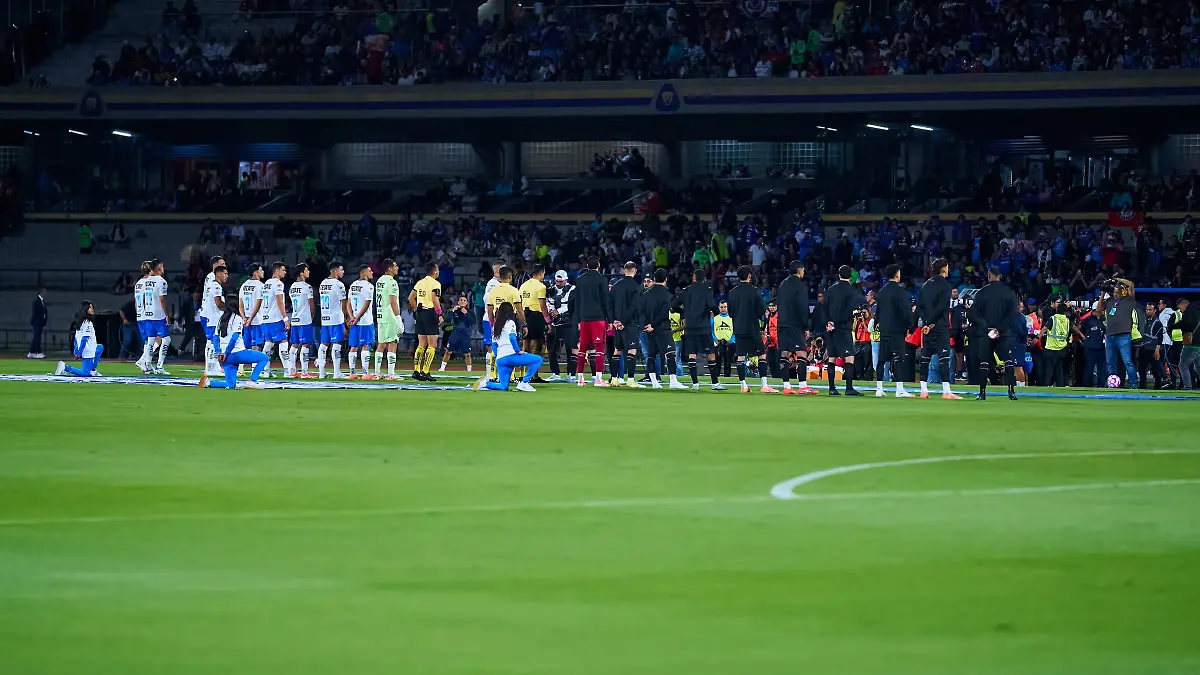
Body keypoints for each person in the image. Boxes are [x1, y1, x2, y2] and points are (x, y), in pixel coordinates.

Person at [966, 266, 1019, 401]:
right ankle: (1011, 392)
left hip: (986, 333)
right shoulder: (1009, 292)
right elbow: (1013, 313)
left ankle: (982, 393)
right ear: (1000, 276)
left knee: (984, 362)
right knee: (1008, 361)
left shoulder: (982, 293)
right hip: (1004, 333)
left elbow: (973, 314)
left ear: (989, 275)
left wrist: (987, 327)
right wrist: (1000, 329)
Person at [198, 296, 270, 390]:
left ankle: (208, 382)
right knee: (264, 358)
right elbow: (234, 338)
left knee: (230, 384)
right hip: (237, 353)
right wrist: (227, 352)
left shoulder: (221, 319)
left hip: (225, 357)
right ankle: (252, 381)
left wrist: (219, 352)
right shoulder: (237, 319)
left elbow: (215, 338)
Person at [472, 302, 542, 392]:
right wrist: (517, 351)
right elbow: (512, 338)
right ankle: (524, 382)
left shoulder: (496, 326)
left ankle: (486, 383)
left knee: (503, 386)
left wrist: (498, 356)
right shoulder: (510, 323)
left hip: (501, 359)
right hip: (511, 356)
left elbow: (494, 344)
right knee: (537, 359)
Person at [916, 258, 959, 399]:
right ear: (944, 269)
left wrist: (927, 323)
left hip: (927, 328)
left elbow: (919, 307)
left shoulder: (925, 285)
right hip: (940, 327)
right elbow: (942, 307)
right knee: (944, 358)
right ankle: (946, 391)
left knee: (925, 358)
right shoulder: (945, 286)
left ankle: (923, 390)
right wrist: (932, 322)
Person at [821, 265, 866, 396]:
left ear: (839, 274)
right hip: (843, 328)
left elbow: (824, 308)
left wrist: (828, 322)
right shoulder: (852, 291)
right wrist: (836, 323)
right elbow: (848, 310)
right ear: (850, 276)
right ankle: (849, 388)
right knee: (849, 357)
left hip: (830, 329)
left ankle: (831, 388)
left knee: (832, 357)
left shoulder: (830, 289)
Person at [728, 265, 772, 393]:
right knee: (762, 354)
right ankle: (764, 385)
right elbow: (762, 311)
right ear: (749, 276)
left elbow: (730, 313)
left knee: (741, 356)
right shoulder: (755, 291)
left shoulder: (732, 293)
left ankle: (743, 386)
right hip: (752, 328)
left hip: (739, 328)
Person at [775, 261, 816, 394]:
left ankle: (787, 386)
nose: (803, 272)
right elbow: (802, 307)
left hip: (782, 323)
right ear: (799, 270)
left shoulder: (782, 284)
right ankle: (803, 385)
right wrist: (806, 326)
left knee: (785, 353)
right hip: (795, 324)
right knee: (802, 353)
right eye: (803, 270)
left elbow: (778, 303)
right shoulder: (800, 285)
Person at [874, 264, 915, 397]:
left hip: (884, 330)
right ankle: (899, 389)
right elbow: (906, 310)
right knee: (898, 359)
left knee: (881, 360)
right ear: (897, 274)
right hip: (897, 330)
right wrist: (911, 325)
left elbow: (878, 313)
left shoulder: (881, 291)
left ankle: (879, 389)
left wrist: (878, 325)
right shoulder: (900, 290)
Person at [640, 269, 684, 389]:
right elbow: (665, 313)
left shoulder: (645, 295)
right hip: (662, 328)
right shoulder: (668, 295)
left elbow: (641, 312)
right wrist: (653, 325)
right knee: (670, 354)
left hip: (649, 329)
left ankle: (654, 382)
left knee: (651, 355)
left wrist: (647, 325)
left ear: (654, 280)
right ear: (665, 280)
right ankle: (673, 381)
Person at [679, 266, 722, 390]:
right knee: (710, 353)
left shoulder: (686, 290)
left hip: (690, 327)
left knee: (692, 354)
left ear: (693, 277)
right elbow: (712, 305)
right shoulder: (707, 289)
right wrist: (715, 312)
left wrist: (685, 313)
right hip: (703, 327)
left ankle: (695, 384)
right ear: (704, 278)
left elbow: (674, 305)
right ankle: (714, 383)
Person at [573, 256, 609, 386]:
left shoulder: (579, 280)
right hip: (598, 318)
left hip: (583, 318)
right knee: (599, 349)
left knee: (582, 348)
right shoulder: (602, 279)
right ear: (598, 265)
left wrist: (577, 320)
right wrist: (609, 319)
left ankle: (580, 378)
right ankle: (598, 379)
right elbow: (606, 301)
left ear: (587, 266)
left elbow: (577, 302)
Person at [1099, 279, 1141, 388]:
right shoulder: (1109, 301)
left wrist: (1117, 279)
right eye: (1114, 292)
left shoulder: (1129, 300)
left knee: (1127, 361)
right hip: (1110, 336)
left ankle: (1134, 384)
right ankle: (1112, 384)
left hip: (1124, 335)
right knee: (1110, 362)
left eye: (1117, 292)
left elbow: (1131, 284)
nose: (1115, 294)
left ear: (1123, 292)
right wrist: (1102, 293)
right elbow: (1098, 311)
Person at [609, 261, 643, 386]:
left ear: (624, 270)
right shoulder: (636, 286)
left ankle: (614, 379)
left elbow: (610, 305)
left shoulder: (616, 286)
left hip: (617, 324)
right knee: (632, 350)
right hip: (630, 323)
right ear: (634, 270)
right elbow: (634, 307)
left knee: (617, 350)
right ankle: (630, 380)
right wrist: (623, 321)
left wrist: (614, 321)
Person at [409, 262, 444, 381]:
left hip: (420, 313)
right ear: (434, 271)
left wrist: (415, 309)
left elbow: (410, 297)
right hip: (430, 313)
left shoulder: (420, 282)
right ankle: (425, 371)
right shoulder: (436, 284)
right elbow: (435, 299)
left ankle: (416, 370)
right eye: (438, 269)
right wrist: (439, 313)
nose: (438, 272)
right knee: (432, 344)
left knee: (421, 344)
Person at [135, 259, 171, 375]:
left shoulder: (142, 282)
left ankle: (148, 365)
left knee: (150, 340)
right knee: (166, 339)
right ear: (159, 268)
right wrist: (166, 314)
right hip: (158, 314)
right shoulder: (161, 281)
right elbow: (162, 300)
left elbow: (139, 300)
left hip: (145, 315)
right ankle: (159, 366)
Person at [519, 265, 550, 384]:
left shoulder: (523, 285)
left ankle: (522, 375)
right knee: (538, 347)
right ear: (541, 273)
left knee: (525, 347)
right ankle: (534, 375)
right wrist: (548, 321)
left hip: (524, 315)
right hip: (536, 316)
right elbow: (542, 305)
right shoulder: (541, 286)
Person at [317, 261, 349, 379]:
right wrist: (345, 319)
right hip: (336, 318)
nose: (343, 272)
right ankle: (337, 372)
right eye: (341, 269)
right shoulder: (339, 284)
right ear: (335, 271)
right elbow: (344, 303)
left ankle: (321, 372)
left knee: (323, 345)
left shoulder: (322, 283)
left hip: (325, 319)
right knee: (337, 344)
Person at [258, 262, 290, 378]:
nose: (285, 272)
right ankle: (288, 371)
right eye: (283, 270)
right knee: (283, 343)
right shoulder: (278, 284)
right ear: (277, 271)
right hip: (275, 319)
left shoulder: (266, 283)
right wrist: (285, 319)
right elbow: (280, 301)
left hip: (265, 319)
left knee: (268, 344)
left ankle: (266, 371)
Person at [55, 301, 103, 377]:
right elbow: (84, 339)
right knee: (85, 373)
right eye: (90, 307)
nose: (92, 309)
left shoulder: (80, 322)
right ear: (86, 309)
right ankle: (65, 367)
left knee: (100, 347)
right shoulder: (87, 323)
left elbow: (76, 338)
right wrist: (79, 353)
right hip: (87, 350)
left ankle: (93, 370)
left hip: (87, 348)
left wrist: (76, 349)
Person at [373, 259, 402, 379]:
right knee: (392, 343)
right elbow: (393, 301)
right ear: (390, 269)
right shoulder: (392, 282)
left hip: (380, 315)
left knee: (381, 344)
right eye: (395, 266)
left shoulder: (379, 281)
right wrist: (398, 318)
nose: (397, 268)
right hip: (390, 316)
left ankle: (377, 372)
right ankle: (391, 373)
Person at [545, 270, 577, 382]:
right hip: (554, 323)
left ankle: (571, 374)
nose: (558, 283)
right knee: (552, 349)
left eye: (560, 281)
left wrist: (558, 311)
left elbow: (571, 305)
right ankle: (555, 373)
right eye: (557, 281)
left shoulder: (572, 289)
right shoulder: (551, 290)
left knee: (570, 349)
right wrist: (551, 311)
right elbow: (547, 302)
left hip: (568, 323)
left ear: (566, 280)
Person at [347, 263, 376, 379]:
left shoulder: (353, 285)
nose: (372, 272)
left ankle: (352, 373)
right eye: (370, 271)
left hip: (354, 321)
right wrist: (358, 317)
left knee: (353, 346)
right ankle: (365, 373)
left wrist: (352, 317)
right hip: (365, 321)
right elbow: (367, 304)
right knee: (365, 345)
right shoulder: (369, 286)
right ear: (364, 273)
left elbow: (348, 303)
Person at [287, 263, 316, 378]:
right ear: (301, 273)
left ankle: (292, 370)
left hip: (295, 319)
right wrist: (312, 316)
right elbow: (311, 304)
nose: (308, 272)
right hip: (305, 319)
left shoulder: (292, 287)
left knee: (294, 344)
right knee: (305, 345)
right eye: (306, 270)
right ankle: (304, 371)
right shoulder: (307, 287)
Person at [201, 256, 227, 376]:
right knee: (212, 340)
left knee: (211, 340)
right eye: (222, 264)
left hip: (208, 312)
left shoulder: (209, 278)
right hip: (211, 314)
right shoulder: (213, 281)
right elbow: (216, 301)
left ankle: (211, 366)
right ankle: (212, 366)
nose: (225, 265)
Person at [1037, 294, 1069, 387]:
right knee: (1059, 370)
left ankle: (1047, 386)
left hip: (1051, 347)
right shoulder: (1066, 320)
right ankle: (1060, 386)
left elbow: (1044, 329)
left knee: (1049, 370)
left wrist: (1037, 338)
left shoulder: (1053, 318)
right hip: (1062, 348)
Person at [481, 259, 505, 380]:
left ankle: (494, 374)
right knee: (491, 347)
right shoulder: (493, 284)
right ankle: (490, 375)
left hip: (496, 319)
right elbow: (487, 301)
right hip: (491, 319)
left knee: (497, 346)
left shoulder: (497, 284)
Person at [440, 295, 475, 373]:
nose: (462, 301)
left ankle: (469, 370)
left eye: (464, 300)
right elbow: (446, 319)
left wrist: (466, 314)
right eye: (461, 300)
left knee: (467, 354)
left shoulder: (470, 312)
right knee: (448, 351)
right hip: (455, 334)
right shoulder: (453, 311)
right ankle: (442, 368)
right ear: (458, 302)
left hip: (465, 335)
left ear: (467, 303)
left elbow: (473, 322)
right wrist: (452, 311)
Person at [238, 264, 266, 361]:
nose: (263, 272)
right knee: (257, 345)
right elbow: (258, 304)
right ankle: (255, 368)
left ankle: (240, 368)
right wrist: (251, 319)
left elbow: (240, 305)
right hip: (257, 320)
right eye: (261, 270)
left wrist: (244, 318)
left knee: (245, 345)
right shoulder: (261, 286)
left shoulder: (244, 285)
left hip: (246, 320)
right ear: (255, 273)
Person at [1139, 302, 1168, 389]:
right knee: (1141, 369)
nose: (1148, 311)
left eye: (1150, 310)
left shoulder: (1157, 323)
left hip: (1153, 350)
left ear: (1154, 311)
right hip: (1145, 348)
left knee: (1156, 370)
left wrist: (1157, 350)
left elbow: (1160, 337)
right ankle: (1142, 386)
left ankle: (1158, 386)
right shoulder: (1146, 321)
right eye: (1147, 309)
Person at [1078, 301, 1107, 387]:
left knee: (1102, 369)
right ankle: (1087, 386)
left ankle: (1101, 386)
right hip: (1090, 348)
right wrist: (1084, 340)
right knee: (1089, 368)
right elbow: (1079, 330)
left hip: (1101, 348)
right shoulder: (1087, 320)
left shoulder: (1103, 320)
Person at [1173, 298, 1200, 389]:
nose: (1180, 311)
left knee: (1183, 365)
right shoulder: (1197, 311)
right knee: (1198, 367)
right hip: (1198, 344)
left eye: (1180, 308)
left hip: (1192, 344)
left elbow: (1187, 324)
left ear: (1184, 304)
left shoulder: (1190, 311)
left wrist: (1172, 326)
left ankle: (1188, 387)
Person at [712, 301, 735, 378]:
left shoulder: (732, 318)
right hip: (717, 344)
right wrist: (715, 339)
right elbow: (710, 331)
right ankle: (716, 379)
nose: (723, 309)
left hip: (729, 344)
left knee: (728, 363)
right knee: (717, 362)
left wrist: (731, 340)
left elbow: (735, 331)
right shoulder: (714, 319)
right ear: (719, 308)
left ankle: (727, 378)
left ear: (727, 307)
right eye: (721, 307)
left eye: (725, 307)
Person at [28, 286, 47, 359]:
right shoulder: (36, 302)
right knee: (37, 337)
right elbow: (37, 313)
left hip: (40, 322)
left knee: (36, 337)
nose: (46, 293)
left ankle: (31, 352)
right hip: (37, 322)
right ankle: (38, 352)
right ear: (41, 292)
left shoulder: (42, 301)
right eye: (44, 291)